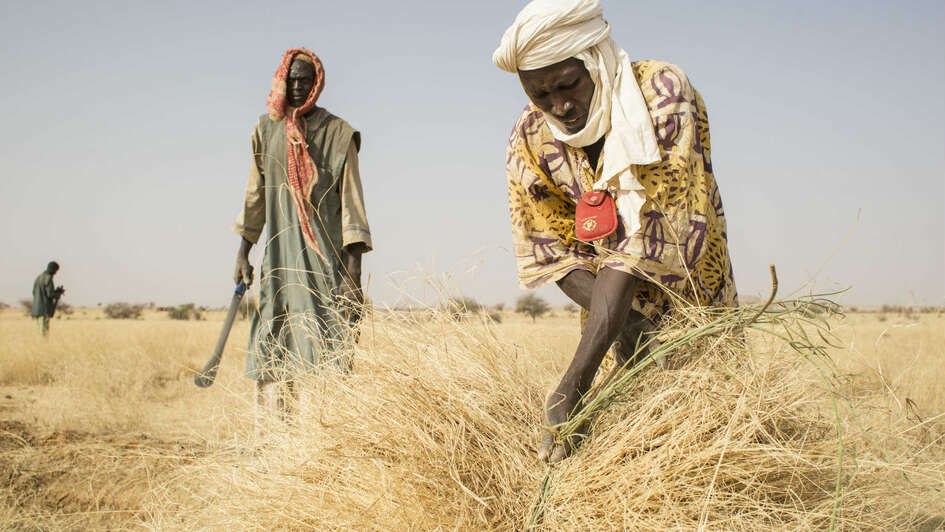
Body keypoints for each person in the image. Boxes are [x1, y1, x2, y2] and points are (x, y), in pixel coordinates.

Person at [493, 0, 737, 462]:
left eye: (568, 85)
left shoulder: (662, 93)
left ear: (595, 59)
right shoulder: (530, 138)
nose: (559, 107)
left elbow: (650, 237)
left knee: (710, 444)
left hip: (694, 303)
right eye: (540, 95)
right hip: (606, 320)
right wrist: (625, 325)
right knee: (630, 450)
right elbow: (553, 251)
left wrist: (575, 379)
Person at [232, 47, 372, 425]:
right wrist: (243, 252)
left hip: (325, 265)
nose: (296, 87)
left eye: (304, 81)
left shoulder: (338, 134)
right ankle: (273, 446)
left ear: (317, 84)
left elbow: (352, 206)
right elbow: (255, 196)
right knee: (273, 345)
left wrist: (352, 276)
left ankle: (320, 445)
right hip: (278, 263)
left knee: (324, 346)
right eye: (291, 80)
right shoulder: (266, 130)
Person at [31, 261, 65, 337]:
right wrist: (58, 293)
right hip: (44, 310)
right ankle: (43, 348)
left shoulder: (39, 277)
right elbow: (50, 294)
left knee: (39, 331)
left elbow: (34, 292)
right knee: (43, 333)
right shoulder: (48, 278)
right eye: (56, 271)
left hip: (37, 309)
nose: (55, 273)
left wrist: (55, 292)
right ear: (53, 269)